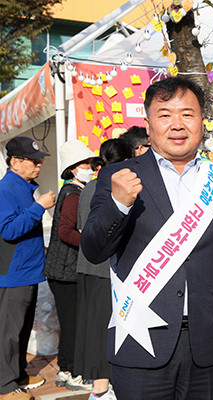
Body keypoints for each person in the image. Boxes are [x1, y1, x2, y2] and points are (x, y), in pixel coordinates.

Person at [80, 77, 213, 400]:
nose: (177, 124)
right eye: (165, 114)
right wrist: (118, 205)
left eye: (187, 114)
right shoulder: (118, 176)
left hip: (207, 342)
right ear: (148, 125)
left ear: (202, 121)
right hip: (140, 339)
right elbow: (93, 249)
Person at [74, 139, 133, 400]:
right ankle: (100, 391)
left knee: (92, 328)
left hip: (87, 267)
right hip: (103, 271)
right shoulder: (116, 186)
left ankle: (99, 388)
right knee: (104, 330)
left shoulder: (89, 188)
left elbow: (80, 226)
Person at [0, 137, 55, 400]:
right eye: (33, 160)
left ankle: (19, 373)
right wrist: (38, 207)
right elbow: (9, 230)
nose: (39, 164)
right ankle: (4, 386)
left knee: (21, 329)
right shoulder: (6, 189)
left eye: (40, 159)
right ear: (15, 162)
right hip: (14, 272)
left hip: (28, 270)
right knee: (8, 333)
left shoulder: (23, 186)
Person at [44, 139, 97, 391]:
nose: (91, 168)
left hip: (60, 271)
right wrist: (90, 242)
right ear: (74, 168)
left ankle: (65, 370)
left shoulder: (70, 191)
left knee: (69, 324)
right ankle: (74, 373)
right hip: (65, 272)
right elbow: (66, 232)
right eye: (86, 164)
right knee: (74, 324)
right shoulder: (74, 195)